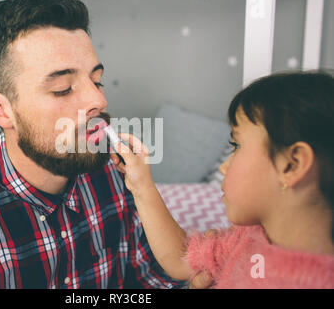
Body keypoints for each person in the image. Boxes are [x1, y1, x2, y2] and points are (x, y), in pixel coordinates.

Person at [0, 0, 208, 289]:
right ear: (2, 111)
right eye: (63, 88)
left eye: (97, 80)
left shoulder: (115, 176)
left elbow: (146, 280)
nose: (98, 99)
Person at [111, 71, 334, 288]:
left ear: (292, 165)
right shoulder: (249, 237)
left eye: (236, 146)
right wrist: (142, 184)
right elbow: (181, 259)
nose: (224, 166)